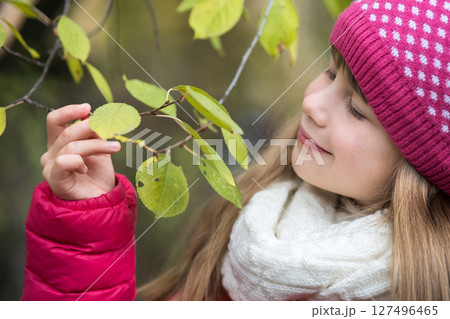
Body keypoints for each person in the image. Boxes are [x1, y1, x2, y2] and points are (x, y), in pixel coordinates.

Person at [21, 0, 449, 301]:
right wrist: (85, 227)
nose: (312, 104)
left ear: (420, 161)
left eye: (356, 109)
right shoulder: (253, 220)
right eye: (329, 71)